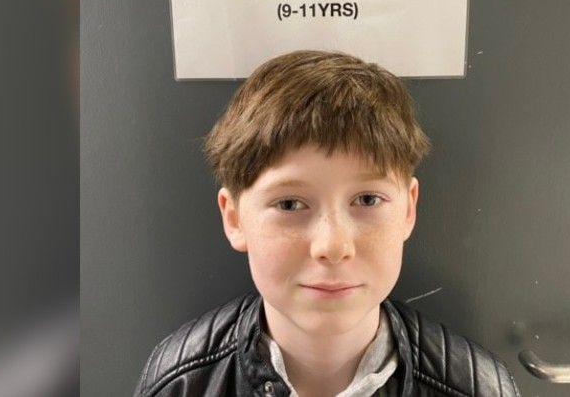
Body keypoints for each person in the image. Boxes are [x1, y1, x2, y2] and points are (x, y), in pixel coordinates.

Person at [133, 50, 519, 396]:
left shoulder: (479, 388)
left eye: (367, 199)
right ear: (234, 218)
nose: (333, 246)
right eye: (289, 203)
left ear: (408, 210)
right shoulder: (180, 383)